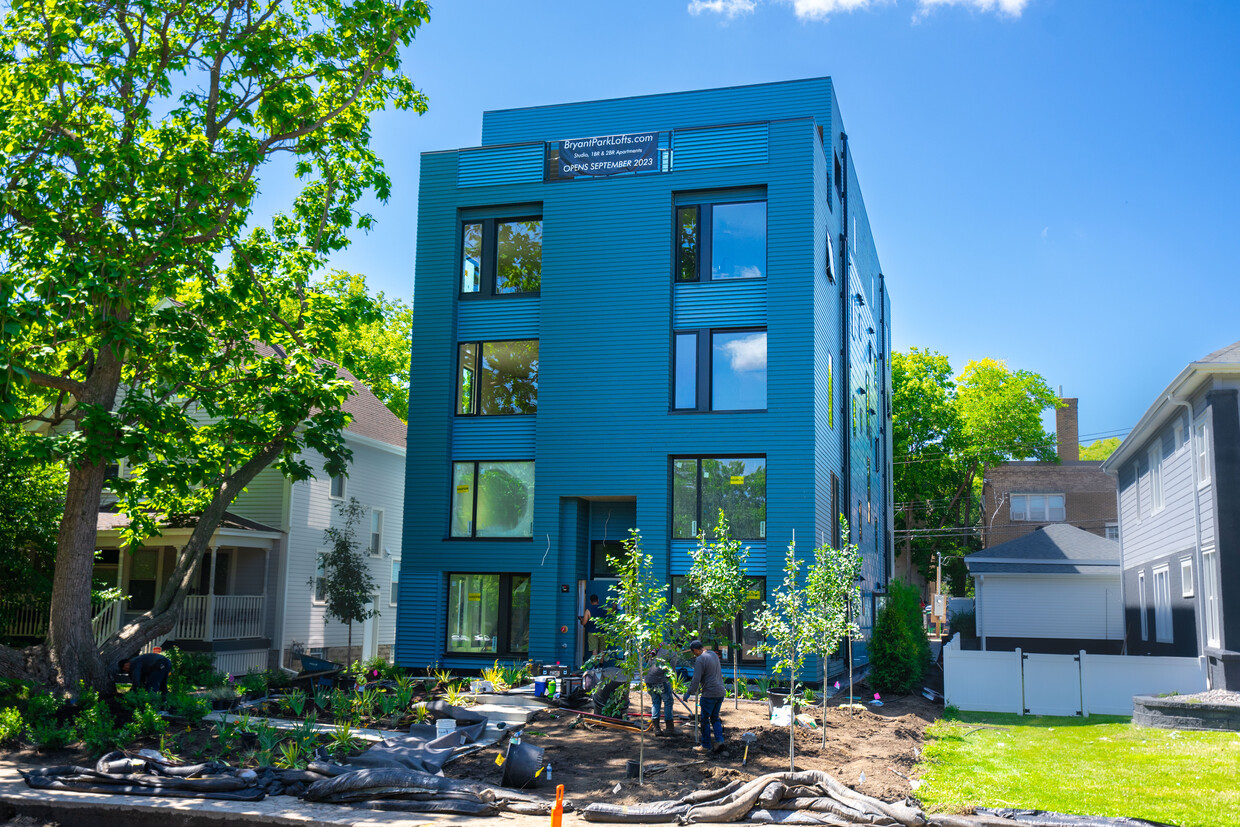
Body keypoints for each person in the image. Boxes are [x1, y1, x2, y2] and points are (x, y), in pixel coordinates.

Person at [682, 639, 726, 752]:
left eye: (693, 652)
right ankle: (719, 740)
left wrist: (689, 692)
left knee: (705, 719)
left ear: (696, 650)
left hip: (709, 693)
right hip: (720, 692)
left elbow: (696, 679)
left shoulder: (700, 659)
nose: (694, 655)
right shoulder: (713, 655)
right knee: (715, 717)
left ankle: (705, 746)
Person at [645, 645, 678, 737]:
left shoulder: (657, 648)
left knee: (655, 702)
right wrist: (668, 683)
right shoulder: (673, 652)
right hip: (660, 680)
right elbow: (671, 671)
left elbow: (647, 660)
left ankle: (657, 729)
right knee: (668, 702)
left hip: (648, 679)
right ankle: (669, 729)